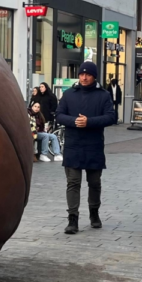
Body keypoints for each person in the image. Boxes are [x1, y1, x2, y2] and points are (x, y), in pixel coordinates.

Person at [56, 61, 116, 234]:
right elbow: (59, 115)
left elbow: (111, 117)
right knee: (73, 182)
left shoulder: (103, 95)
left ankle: (94, 213)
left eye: (88, 74)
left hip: (94, 145)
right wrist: (74, 121)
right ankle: (72, 219)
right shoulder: (68, 95)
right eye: (81, 74)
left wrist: (89, 122)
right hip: (73, 145)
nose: (84, 77)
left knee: (94, 183)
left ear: (94, 76)